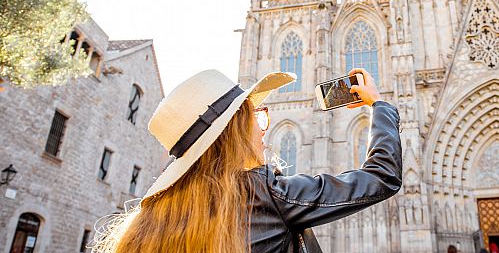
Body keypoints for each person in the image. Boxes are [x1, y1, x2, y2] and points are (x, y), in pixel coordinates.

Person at [93, 68, 402, 252]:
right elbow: (381, 178)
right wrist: (379, 105)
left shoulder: (150, 223)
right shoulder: (264, 193)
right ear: (236, 129)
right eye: (257, 116)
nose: (263, 127)